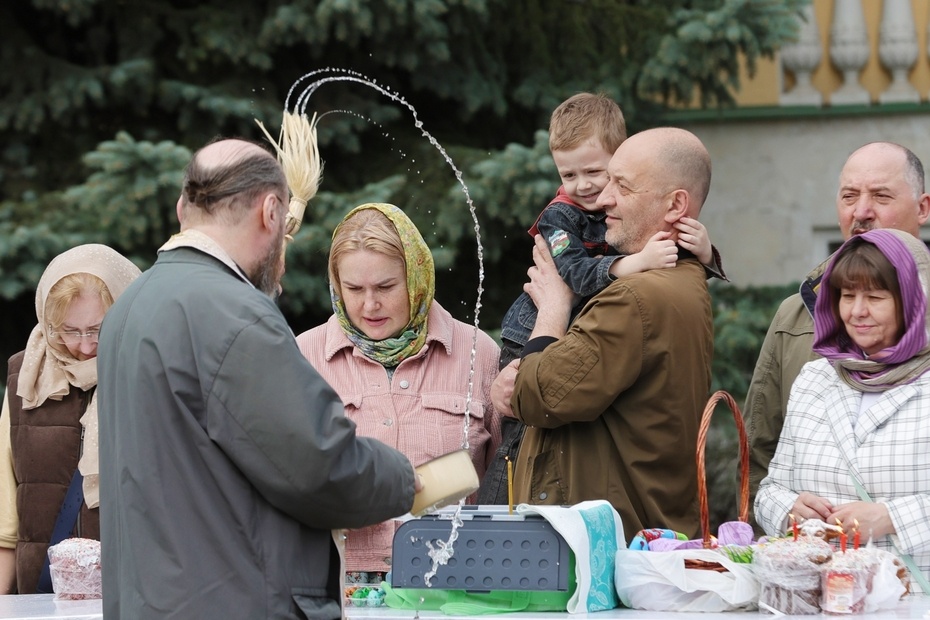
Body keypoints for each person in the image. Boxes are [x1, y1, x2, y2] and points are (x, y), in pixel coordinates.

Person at [96, 139, 421, 619]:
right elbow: (317, 467)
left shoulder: (132, 303)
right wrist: (403, 478)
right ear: (271, 210)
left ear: (183, 207)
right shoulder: (233, 314)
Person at [480, 93, 725, 505]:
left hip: (556, 328)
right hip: (527, 332)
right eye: (570, 175)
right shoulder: (565, 216)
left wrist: (704, 251)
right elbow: (571, 272)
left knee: (521, 438)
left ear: (676, 205)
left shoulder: (637, 296)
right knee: (511, 449)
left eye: (615, 180)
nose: (598, 192)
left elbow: (542, 395)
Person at [295, 202, 502, 580]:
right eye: (353, 289)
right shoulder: (303, 357)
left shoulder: (478, 353)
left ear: (417, 277)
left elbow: (505, 479)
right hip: (340, 585)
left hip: (456, 583)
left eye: (386, 287)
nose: (369, 305)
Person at [744, 142, 930, 526]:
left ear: (923, 209)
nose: (861, 211)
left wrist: (896, 518)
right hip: (820, 572)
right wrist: (780, 516)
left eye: (881, 196)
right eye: (849, 196)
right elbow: (760, 455)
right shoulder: (795, 314)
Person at [755, 228, 930, 581]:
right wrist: (789, 510)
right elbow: (770, 489)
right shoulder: (816, 378)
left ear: (910, 301)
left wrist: (889, 518)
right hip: (818, 594)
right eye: (847, 295)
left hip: (909, 596)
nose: (857, 311)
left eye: (876, 297)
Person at [0, 244, 141, 594]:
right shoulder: (27, 375)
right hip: (44, 595)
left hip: (133, 594)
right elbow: (4, 516)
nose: (85, 346)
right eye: (69, 330)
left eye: (97, 329)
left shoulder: (149, 370)